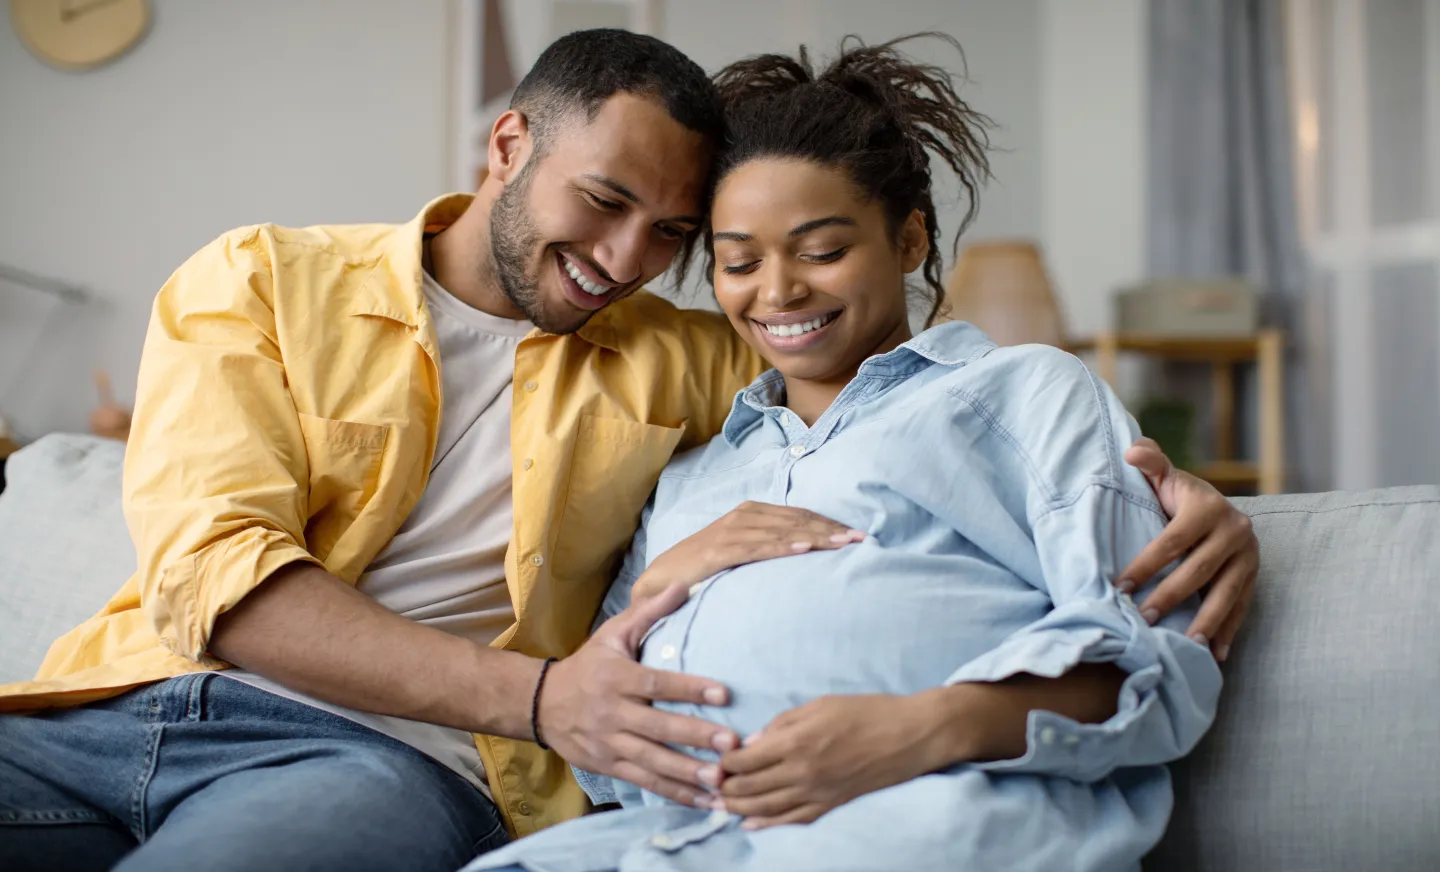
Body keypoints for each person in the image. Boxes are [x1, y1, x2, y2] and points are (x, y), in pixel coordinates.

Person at [0, 29, 1255, 872]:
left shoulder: (688, 356)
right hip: (116, 704)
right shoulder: (263, 278)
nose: (623, 261)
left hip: (386, 760)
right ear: (509, 147)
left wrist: (1194, 492)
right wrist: (569, 673)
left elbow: (881, 390)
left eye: (669, 235)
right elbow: (212, 575)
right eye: (603, 204)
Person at [468, 34, 1222, 872]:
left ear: (908, 243)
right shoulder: (693, 472)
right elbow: (597, 739)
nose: (779, 290)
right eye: (738, 262)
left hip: (925, 817)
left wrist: (915, 729)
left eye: (823, 252)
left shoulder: (1019, 394)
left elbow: (1153, 660)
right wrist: (657, 584)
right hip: (685, 840)